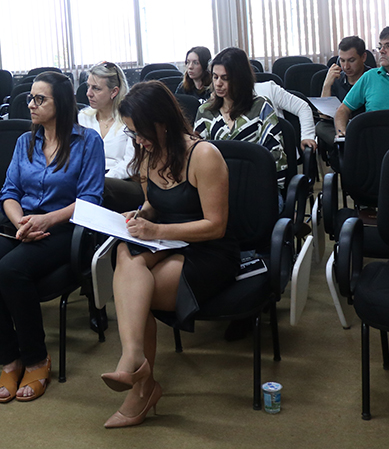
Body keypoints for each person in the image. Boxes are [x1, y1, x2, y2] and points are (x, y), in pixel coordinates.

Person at [102, 81, 236, 428]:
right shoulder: (147, 153)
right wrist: (140, 215)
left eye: (140, 131)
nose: (137, 140)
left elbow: (215, 225)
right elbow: (153, 205)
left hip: (207, 250)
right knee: (124, 252)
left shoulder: (203, 155)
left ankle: (142, 385)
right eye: (131, 133)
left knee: (136, 294)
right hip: (166, 243)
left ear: (162, 122)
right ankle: (136, 364)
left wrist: (156, 231)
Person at [0, 72, 104, 403]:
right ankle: (10, 360)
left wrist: (46, 219)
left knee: (10, 270)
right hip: (22, 222)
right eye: (30, 97)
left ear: (63, 104)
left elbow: (90, 199)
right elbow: (9, 192)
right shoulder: (24, 141)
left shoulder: (88, 142)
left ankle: (37, 359)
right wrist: (22, 222)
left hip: (65, 228)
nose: (30, 104)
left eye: (40, 99)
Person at [194, 48, 288, 189]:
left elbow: (275, 156)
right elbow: (197, 157)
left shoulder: (261, 107)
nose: (218, 83)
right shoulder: (205, 111)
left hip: (257, 188)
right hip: (217, 188)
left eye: (225, 78)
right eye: (215, 77)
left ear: (240, 79)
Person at [79, 61, 141, 212]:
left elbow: (131, 164)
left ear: (114, 92)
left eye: (96, 88)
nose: (88, 93)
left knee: (98, 187)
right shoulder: (83, 117)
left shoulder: (129, 119)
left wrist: (98, 178)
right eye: (88, 86)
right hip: (90, 179)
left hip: (125, 181)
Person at [316, 36, 368, 150]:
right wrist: (327, 85)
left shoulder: (372, 77)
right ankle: (346, 146)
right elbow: (323, 116)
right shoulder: (337, 79)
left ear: (363, 57)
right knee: (321, 127)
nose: (346, 66)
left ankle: (346, 147)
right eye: (342, 60)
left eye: (351, 60)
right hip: (340, 128)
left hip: (365, 127)